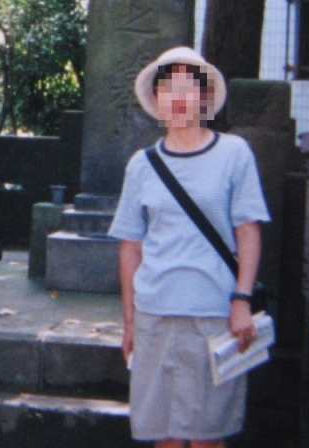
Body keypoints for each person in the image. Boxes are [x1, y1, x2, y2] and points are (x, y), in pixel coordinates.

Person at [108, 46, 271, 448]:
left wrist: (242, 300)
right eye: (169, 90)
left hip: (214, 313)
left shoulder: (234, 153)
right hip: (154, 313)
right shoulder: (142, 164)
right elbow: (131, 247)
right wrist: (129, 322)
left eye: (188, 89)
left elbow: (248, 231)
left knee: (207, 437)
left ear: (204, 96)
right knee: (162, 435)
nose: (178, 99)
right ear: (156, 99)